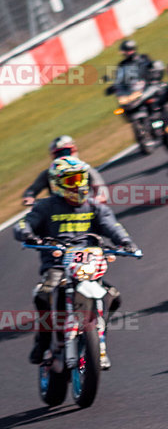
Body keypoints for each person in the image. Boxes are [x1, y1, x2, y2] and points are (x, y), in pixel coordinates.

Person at [14, 156, 139, 366]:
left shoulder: (93, 206)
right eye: (72, 180)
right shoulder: (45, 206)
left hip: (88, 264)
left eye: (82, 179)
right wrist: (28, 235)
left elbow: (111, 226)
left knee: (113, 297)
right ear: (58, 184)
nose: (79, 185)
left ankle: (99, 341)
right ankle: (43, 341)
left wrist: (126, 242)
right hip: (57, 265)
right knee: (44, 293)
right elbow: (24, 224)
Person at [22, 136, 108, 206]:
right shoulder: (48, 173)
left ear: (74, 150)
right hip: (57, 209)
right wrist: (29, 197)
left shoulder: (85, 169)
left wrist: (100, 197)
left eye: (66, 151)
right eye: (59, 153)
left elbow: (99, 184)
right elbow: (32, 190)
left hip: (84, 206)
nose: (63, 156)